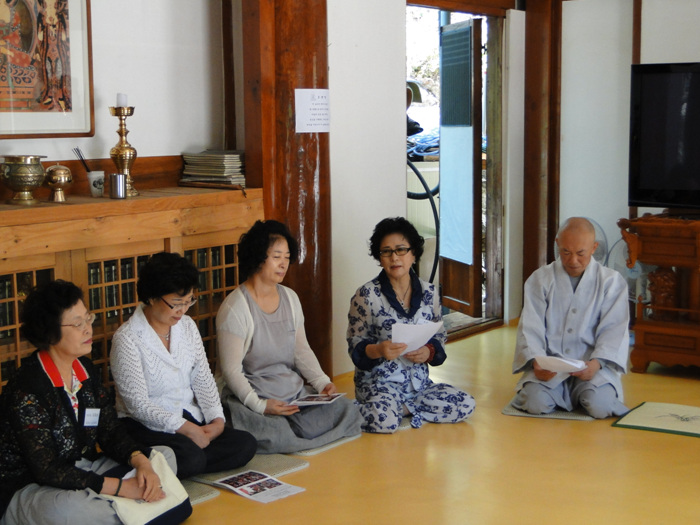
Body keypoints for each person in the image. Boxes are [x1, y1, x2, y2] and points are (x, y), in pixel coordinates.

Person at [0, 280, 189, 525]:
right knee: (67, 511)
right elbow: (46, 469)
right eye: (78, 324)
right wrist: (120, 487)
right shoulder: (28, 387)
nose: (88, 329)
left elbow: (110, 431)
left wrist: (140, 461)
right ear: (49, 332)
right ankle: (138, 507)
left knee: (163, 457)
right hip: (35, 488)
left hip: (85, 469)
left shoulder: (86, 370)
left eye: (88, 318)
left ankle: (126, 508)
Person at [216, 220, 362, 453]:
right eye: (276, 257)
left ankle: (299, 435)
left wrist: (322, 382)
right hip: (254, 397)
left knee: (348, 409)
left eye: (286, 257)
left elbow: (301, 351)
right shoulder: (235, 308)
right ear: (258, 257)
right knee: (277, 434)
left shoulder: (290, 298)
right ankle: (299, 434)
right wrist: (261, 406)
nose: (283, 264)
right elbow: (231, 371)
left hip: (293, 394)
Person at [110, 252, 257, 479]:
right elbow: (138, 405)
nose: (183, 310)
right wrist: (185, 428)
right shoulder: (127, 339)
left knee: (245, 443)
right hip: (145, 425)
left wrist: (217, 421)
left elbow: (203, 378)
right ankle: (178, 460)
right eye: (176, 304)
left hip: (187, 416)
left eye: (189, 301)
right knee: (191, 458)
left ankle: (175, 463)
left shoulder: (187, 326)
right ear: (151, 298)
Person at [347, 217, 476, 433]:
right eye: (386, 252)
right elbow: (355, 346)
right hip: (379, 384)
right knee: (384, 423)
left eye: (401, 250)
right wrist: (379, 350)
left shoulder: (429, 293)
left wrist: (429, 351)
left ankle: (403, 409)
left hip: (418, 387)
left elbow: (439, 336)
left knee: (465, 404)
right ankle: (371, 410)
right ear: (379, 257)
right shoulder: (366, 295)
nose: (394, 257)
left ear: (413, 253)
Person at [512, 217, 630, 418]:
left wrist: (597, 364)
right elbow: (530, 326)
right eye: (565, 252)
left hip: (592, 367)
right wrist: (536, 362)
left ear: (594, 248)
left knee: (600, 407)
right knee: (535, 403)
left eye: (580, 253)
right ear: (557, 244)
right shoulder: (540, 279)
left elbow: (614, 329)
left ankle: (584, 392)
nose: (573, 260)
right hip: (550, 366)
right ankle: (551, 393)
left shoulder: (611, 282)